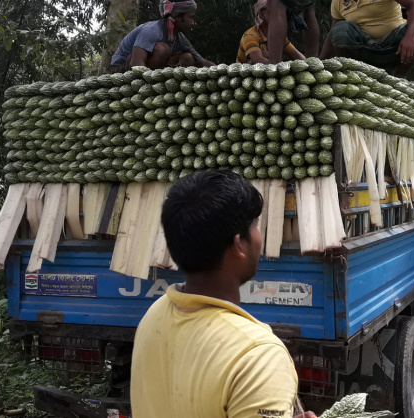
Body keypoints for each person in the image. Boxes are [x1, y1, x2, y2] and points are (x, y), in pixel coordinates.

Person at [130, 170, 316, 418]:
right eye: (256, 226)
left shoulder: (155, 315)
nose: (259, 238)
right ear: (239, 245)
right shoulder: (257, 356)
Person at [109, 0, 215, 73]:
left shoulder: (179, 38)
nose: (193, 23)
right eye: (191, 17)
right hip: (121, 67)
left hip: (145, 69)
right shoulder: (151, 30)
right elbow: (136, 64)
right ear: (178, 16)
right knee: (163, 49)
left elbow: (201, 61)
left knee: (188, 58)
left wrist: (221, 71)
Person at [237, 0, 306, 64]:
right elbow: (258, 60)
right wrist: (280, 65)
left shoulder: (279, 37)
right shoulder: (250, 36)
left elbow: (299, 57)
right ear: (262, 15)